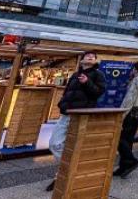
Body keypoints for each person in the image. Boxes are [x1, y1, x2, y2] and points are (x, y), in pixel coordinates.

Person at [47, 51, 106, 191]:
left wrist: (87, 83)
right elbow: (67, 91)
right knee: (54, 143)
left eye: (93, 57)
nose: (91, 57)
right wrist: (62, 104)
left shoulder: (98, 74)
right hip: (66, 113)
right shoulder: (74, 75)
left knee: (74, 145)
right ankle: (68, 169)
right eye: (88, 56)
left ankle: (62, 174)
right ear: (82, 60)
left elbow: (98, 93)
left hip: (81, 115)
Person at [114, 61, 138, 179]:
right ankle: (124, 166)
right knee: (128, 139)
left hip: (130, 113)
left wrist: (121, 114)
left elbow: (129, 99)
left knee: (120, 138)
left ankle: (131, 161)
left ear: (135, 69)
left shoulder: (137, 80)